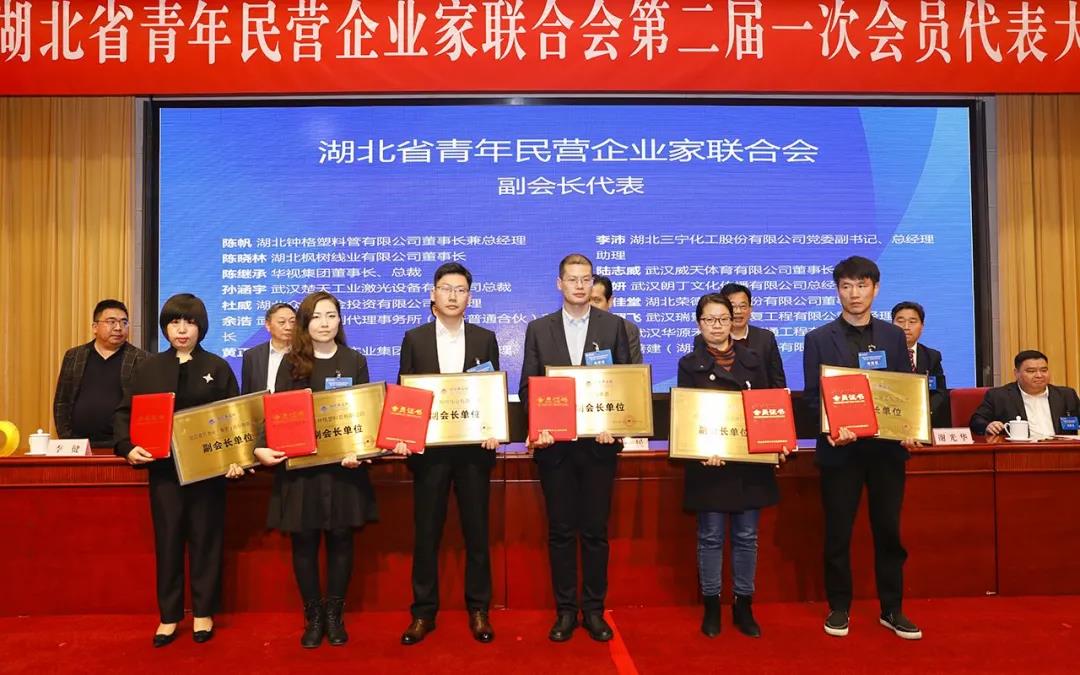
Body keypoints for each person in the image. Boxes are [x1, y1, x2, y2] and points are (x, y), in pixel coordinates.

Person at [113, 293, 246, 647]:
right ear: (165, 328)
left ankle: (204, 612)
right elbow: (125, 413)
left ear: (201, 327)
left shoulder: (218, 367)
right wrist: (127, 447)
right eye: (174, 322)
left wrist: (237, 457)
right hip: (164, 472)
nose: (182, 330)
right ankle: (169, 616)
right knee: (168, 541)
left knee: (206, 540)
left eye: (189, 322)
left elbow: (234, 418)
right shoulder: (149, 368)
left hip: (209, 473)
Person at [802, 256, 924, 640]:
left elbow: (904, 390)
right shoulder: (818, 338)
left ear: (876, 288)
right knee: (838, 532)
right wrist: (832, 427)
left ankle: (892, 608)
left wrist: (910, 428)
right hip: (841, 451)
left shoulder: (893, 336)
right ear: (837, 290)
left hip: (886, 452)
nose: (854, 294)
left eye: (862, 285)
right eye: (846, 286)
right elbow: (812, 398)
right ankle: (839, 607)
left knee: (888, 531)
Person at [253, 291, 377, 649]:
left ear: (340, 320)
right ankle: (313, 616)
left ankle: (335, 614)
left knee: (341, 540)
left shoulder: (354, 360)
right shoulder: (291, 362)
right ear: (305, 324)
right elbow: (276, 410)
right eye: (317, 317)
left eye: (331, 315)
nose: (325, 323)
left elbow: (365, 415)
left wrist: (362, 451)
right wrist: (260, 445)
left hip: (343, 469)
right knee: (304, 542)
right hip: (302, 469)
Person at [519, 253, 630, 643]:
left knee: (596, 532)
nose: (580, 286)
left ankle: (594, 610)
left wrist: (616, 424)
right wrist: (540, 425)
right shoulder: (539, 329)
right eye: (572, 279)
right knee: (561, 532)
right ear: (559, 283)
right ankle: (566, 611)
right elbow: (528, 386)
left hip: (599, 447)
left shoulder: (614, 327)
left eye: (586, 279)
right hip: (556, 450)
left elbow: (625, 384)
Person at [394, 263, 501, 645]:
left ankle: (479, 610)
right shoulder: (415, 339)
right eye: (446, 288)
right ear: (433, 295)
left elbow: (491, 392)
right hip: (430, 454)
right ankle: (423, 613)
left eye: (460, 289)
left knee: (477, 534)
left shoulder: (485, 338)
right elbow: (405, 392)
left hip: (473, 453)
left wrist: (493, 428)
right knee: (426, 535)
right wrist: (403, 435)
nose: (453, 295)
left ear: (469, 297)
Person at [678, 293, 788, 638]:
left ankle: (744, 604)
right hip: (710, 465)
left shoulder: (754, 359)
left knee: (747, 537)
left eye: (723, 319)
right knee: (710, 537)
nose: (717, 326)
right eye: (709, 319)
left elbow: (770, 405)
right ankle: (712, 605)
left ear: (734, 320)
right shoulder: (689, 364)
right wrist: (701, 449)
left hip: (749, 463)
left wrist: (778, 440)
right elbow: (686, 417)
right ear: (699, 323)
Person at [54, 299, 147, 446]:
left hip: (123, 445)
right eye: (111, 322)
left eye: (124, 322)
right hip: (79, 444)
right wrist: (66, 437)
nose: (118, 328)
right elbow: (62, 401)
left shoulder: (142, 359)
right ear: (95, 327)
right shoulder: (74, 356)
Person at [970, 350, 1080, 437]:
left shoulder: (1066, 395)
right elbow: (977, 421)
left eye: (1044, 370)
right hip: (1018, 452)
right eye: (1031, 371)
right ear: (1016, 373)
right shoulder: (999, 396)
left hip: (1061, 451)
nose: (1039, 375)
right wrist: (988, 426)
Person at [891, 301, 949, 428]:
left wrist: (924, 413)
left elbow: (939, 392)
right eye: (900, 321)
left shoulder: (932, 356)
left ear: (922, 326)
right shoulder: (884, 354)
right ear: (891, 325)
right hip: (892, 419)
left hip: (924, 420)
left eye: (912, 322)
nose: (906, 327)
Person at [719, 283, 786, 389]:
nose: (738, 311)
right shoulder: (709, 339)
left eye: (743, 306)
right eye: (732, 306)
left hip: (759, 398)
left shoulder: (766, 339)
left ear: (750, 309)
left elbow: (778, 381)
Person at [240, 302, 296, 394]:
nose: (288, 327)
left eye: (292, 322)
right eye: (282, 322)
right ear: (267, 325)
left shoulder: (304, 353)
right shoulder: (252, 356)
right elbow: (246, 394)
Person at [590, 275, 643, 364]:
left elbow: (633, 369)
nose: (590, 306)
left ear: (609, 302)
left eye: (597, 300)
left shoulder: (627, 329)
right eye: (586, 300)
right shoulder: (571, 326)